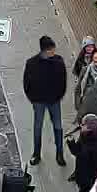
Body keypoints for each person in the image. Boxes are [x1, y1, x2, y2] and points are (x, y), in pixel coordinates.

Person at [23, 36, 69, 166]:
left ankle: (59, 154)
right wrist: (33, 98)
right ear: (45, 51)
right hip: (39, 101)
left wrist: (59, 96)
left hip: (54, 101)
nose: (54, 53)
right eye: (52, 50)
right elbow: (26, 83)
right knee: (38, 127)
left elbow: (63, 81)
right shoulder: (31, 63)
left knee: (58, 126)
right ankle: (36, 154)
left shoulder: (58, 61)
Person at [69, 114, 97, 192]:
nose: (80, 126)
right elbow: (77, 152)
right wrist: (71, 142)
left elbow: (84, 156)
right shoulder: (84, 135)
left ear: (90, 127)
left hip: (89, 179)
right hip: (83, 175)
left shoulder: (96, 143)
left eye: (83, 125)